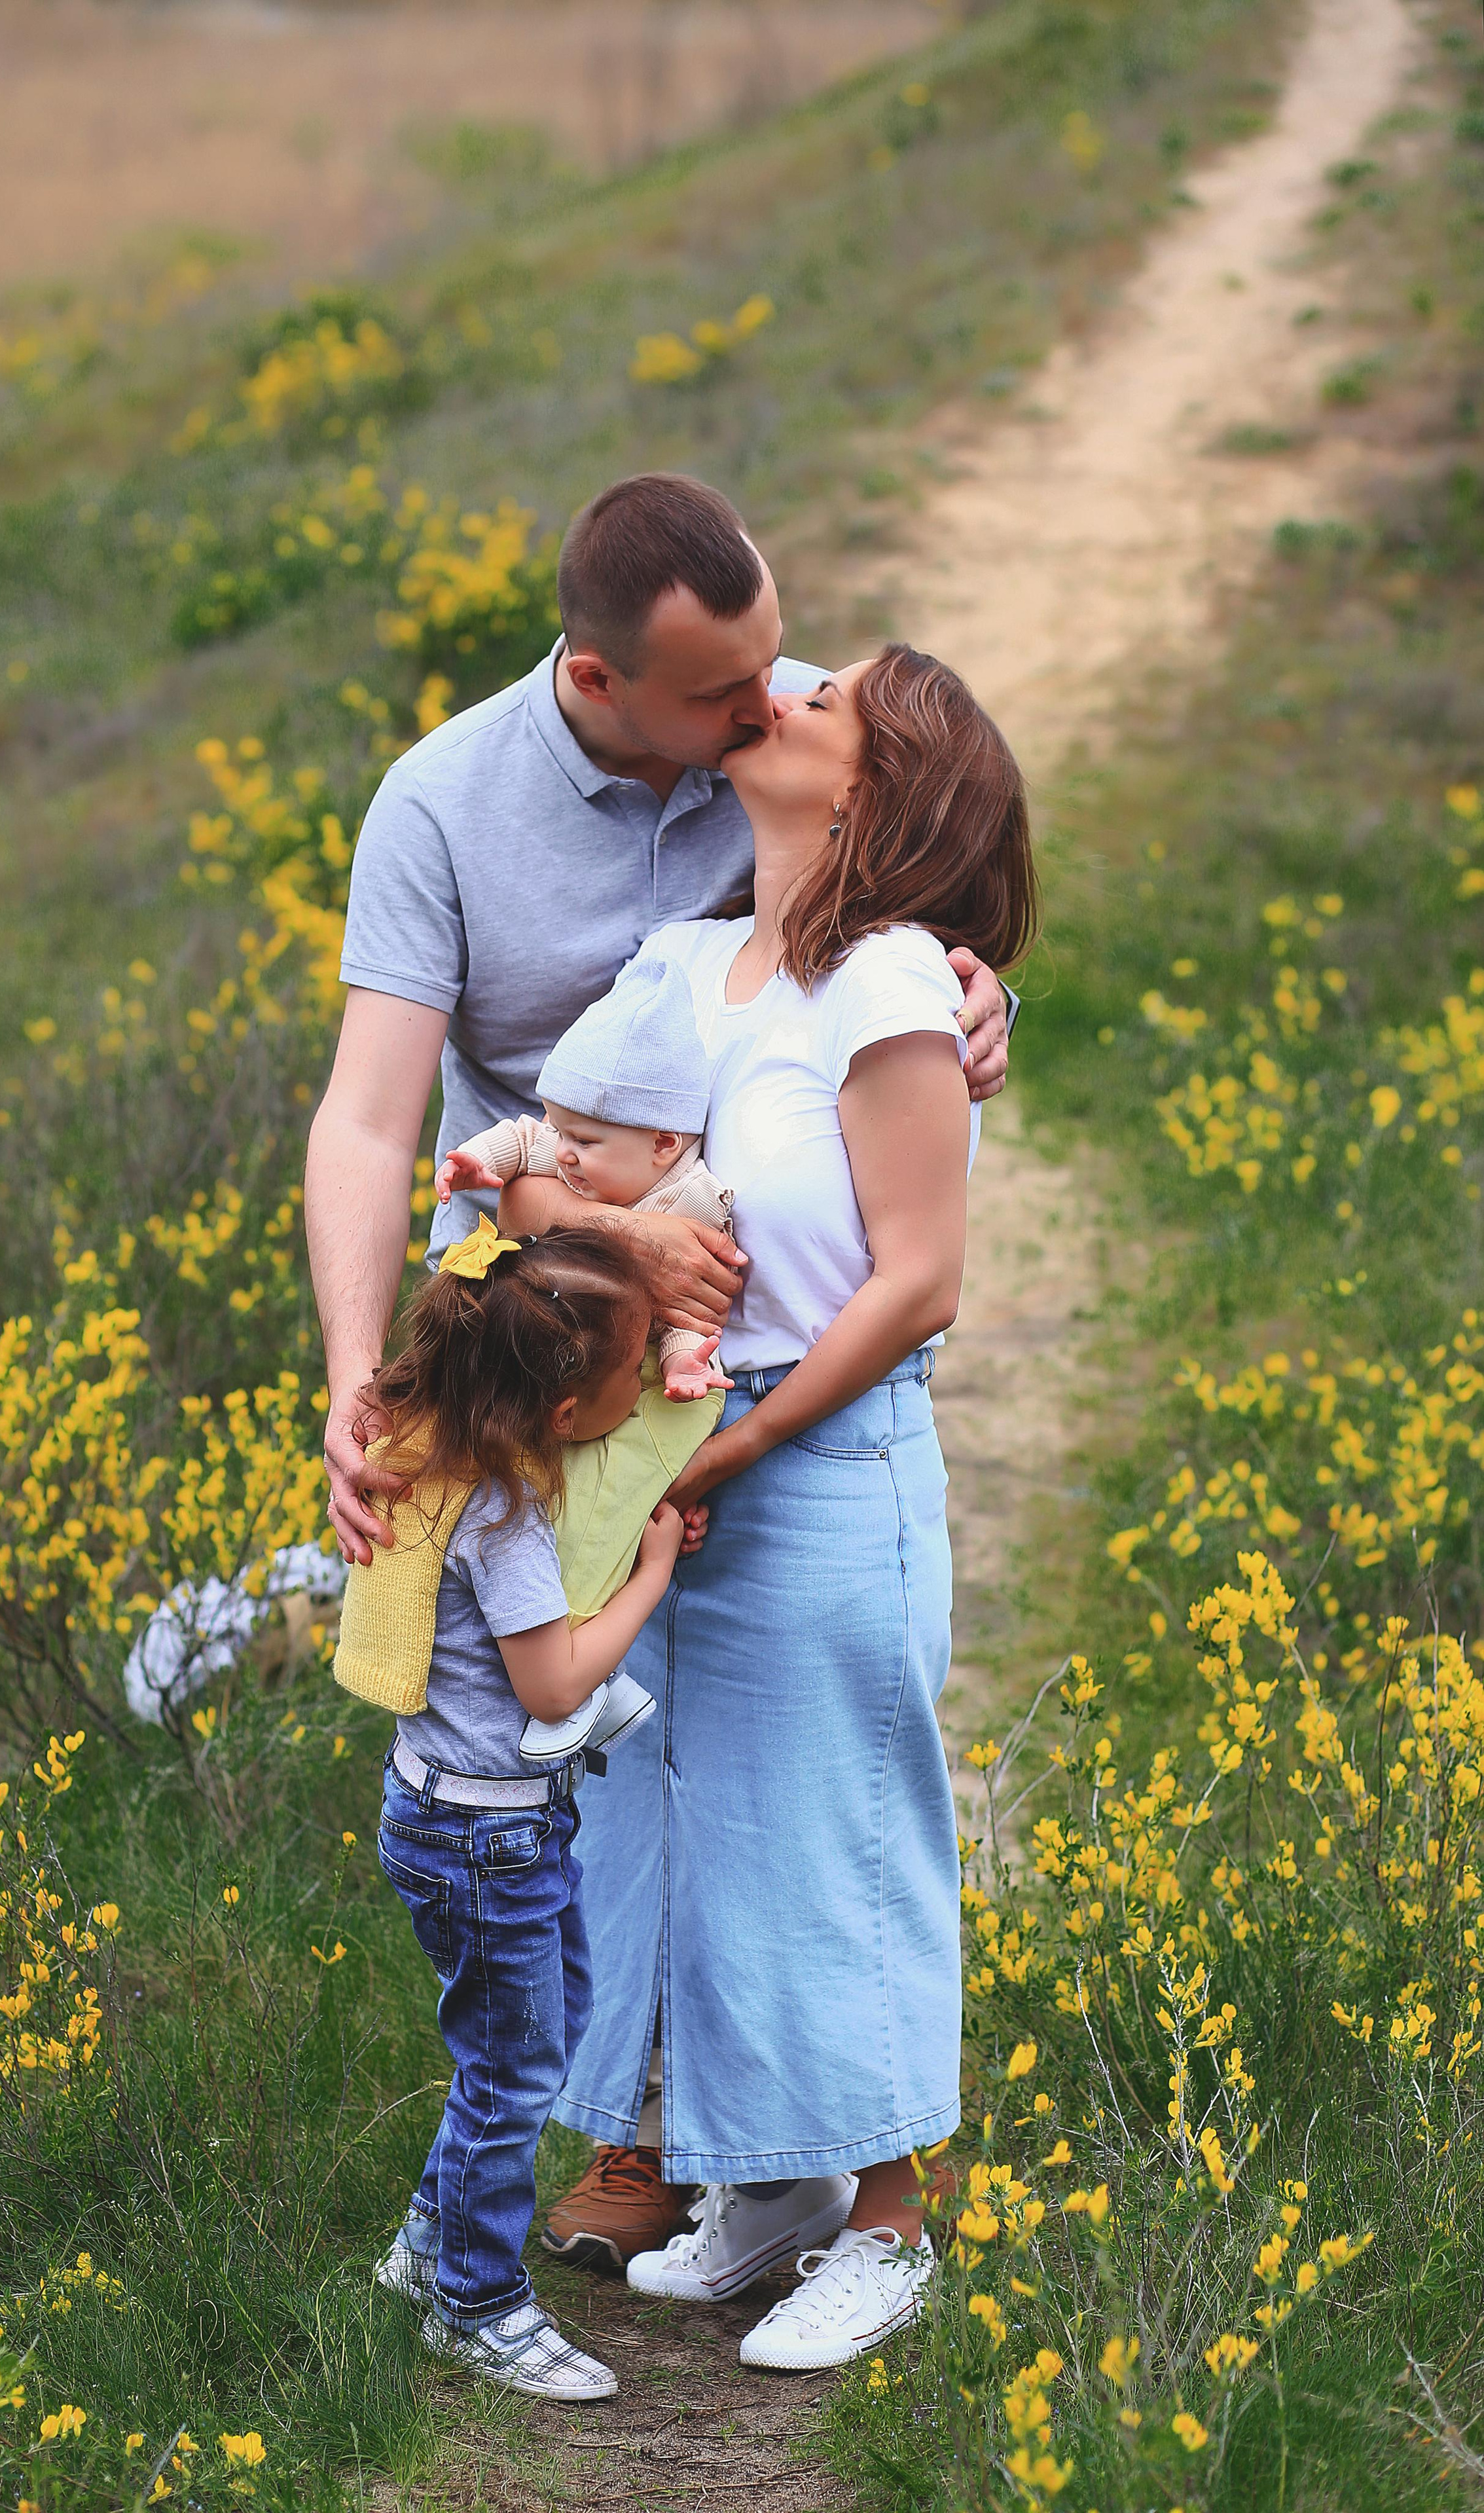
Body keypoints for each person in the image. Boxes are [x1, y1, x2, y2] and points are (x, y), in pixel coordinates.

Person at [307, 470, 1015, 2266]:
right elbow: (374, 1116)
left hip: (743, 1361)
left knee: (785, 1761)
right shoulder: (446, 808)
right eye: (726, 689)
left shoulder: (765, 751)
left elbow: (903, 876)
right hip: (549, 1322)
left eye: (783, 665)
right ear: (601, 681)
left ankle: (821, 2168)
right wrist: (359, 1373)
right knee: (601, 1746)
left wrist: (969, 982)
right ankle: (643, 2127)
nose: (767, 696)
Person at [499, 644, 1038, 2368]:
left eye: (831, 698)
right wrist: (591, 1240)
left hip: (817, 1449)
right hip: (673, 1443)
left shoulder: (887, 981)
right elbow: (552, 1161)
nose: (784, 687)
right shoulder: (685, 965)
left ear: (874, 791)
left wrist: (738, 1446)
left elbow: (919, 1279)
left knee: (835, 1831)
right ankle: (772, 2190)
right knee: (691, 1829)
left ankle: (889, 2223)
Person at [367, 1217, 685, 2403]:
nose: (644, 1384)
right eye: (635, 1367)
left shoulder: (459, 1456)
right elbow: (554, 1684)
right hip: (484, 1837)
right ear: (561, 1409)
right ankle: (476, 2299)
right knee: (512, 2067)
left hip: (468, 1820)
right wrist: (653, 1573)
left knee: (531, 2039)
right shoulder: (501, 1518)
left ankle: (428, 2244)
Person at [437, 957, 735, 1401]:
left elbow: (688, 1307)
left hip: (630, 1381)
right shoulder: (573, 1156)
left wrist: (683, 1361)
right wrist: (479, 1159)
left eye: (583, 1141)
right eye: (559, 1130)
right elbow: (524, 1139)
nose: (562, 1152)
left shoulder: (692, 1201)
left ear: (662, 1144)